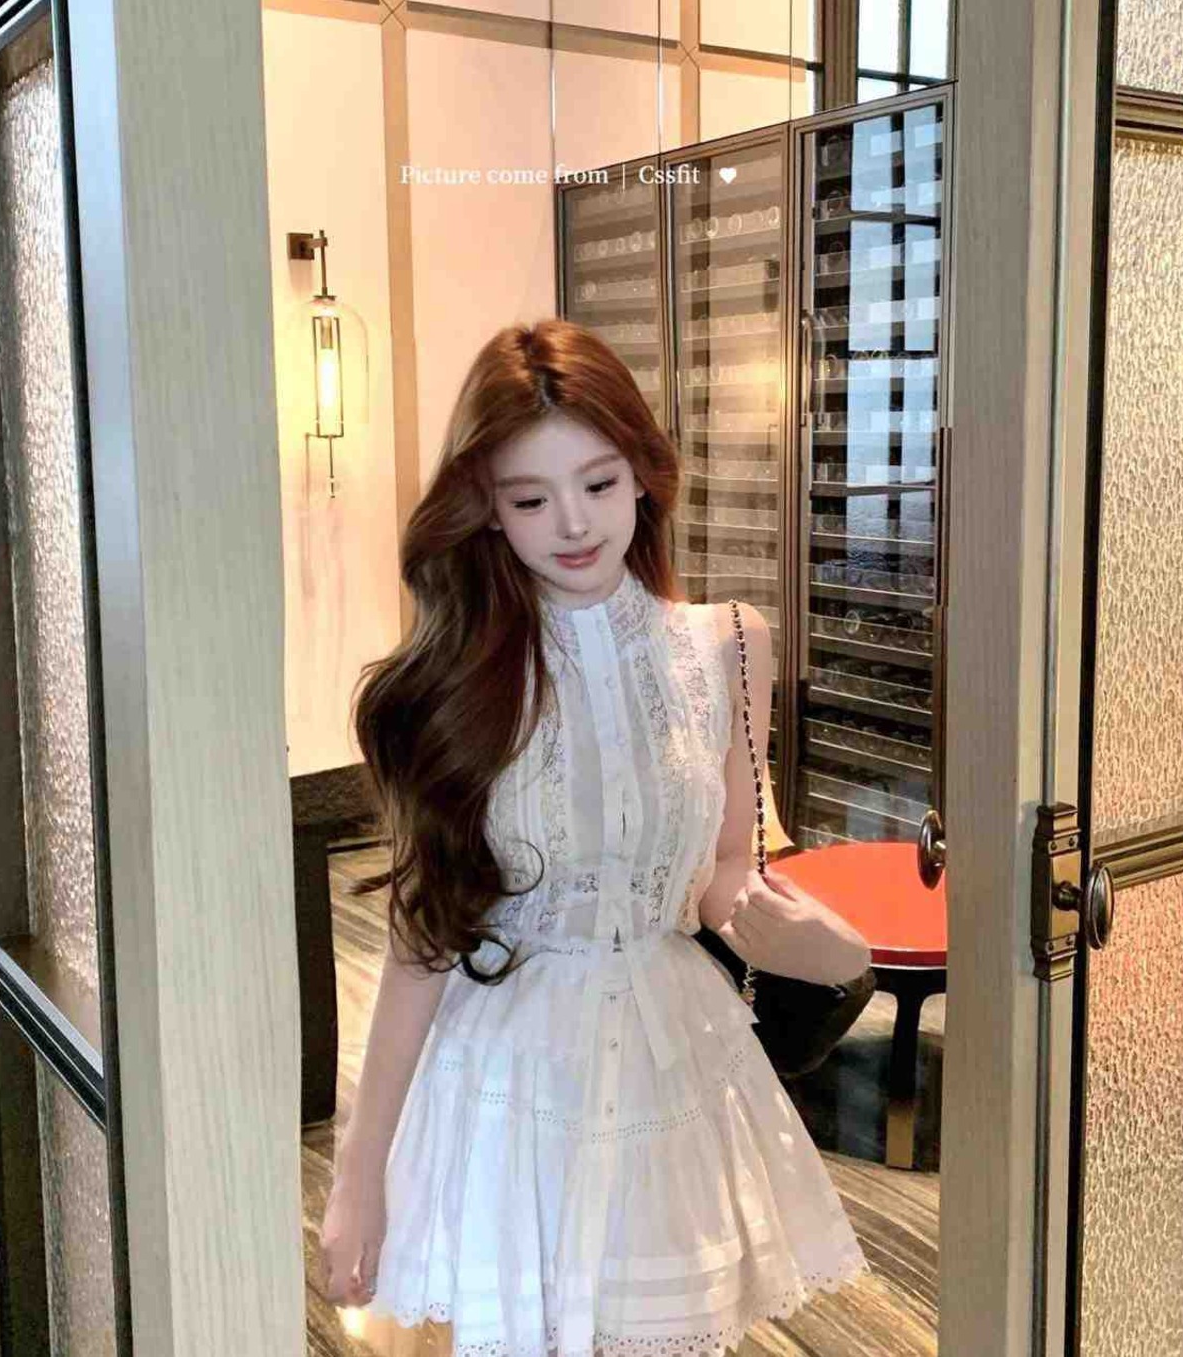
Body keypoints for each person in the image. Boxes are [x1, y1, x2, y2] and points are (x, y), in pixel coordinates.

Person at [321, 319, 873, 1357]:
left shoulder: (728, 646)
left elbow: (723, 874)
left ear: (643, 476)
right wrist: (358, 1173)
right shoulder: (452, 684)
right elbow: (422, 937)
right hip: (513, 1072)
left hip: (674, 1056)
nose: (572, 523)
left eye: (599, 482)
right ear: (486, 507)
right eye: (530, 499)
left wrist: (829, 948)